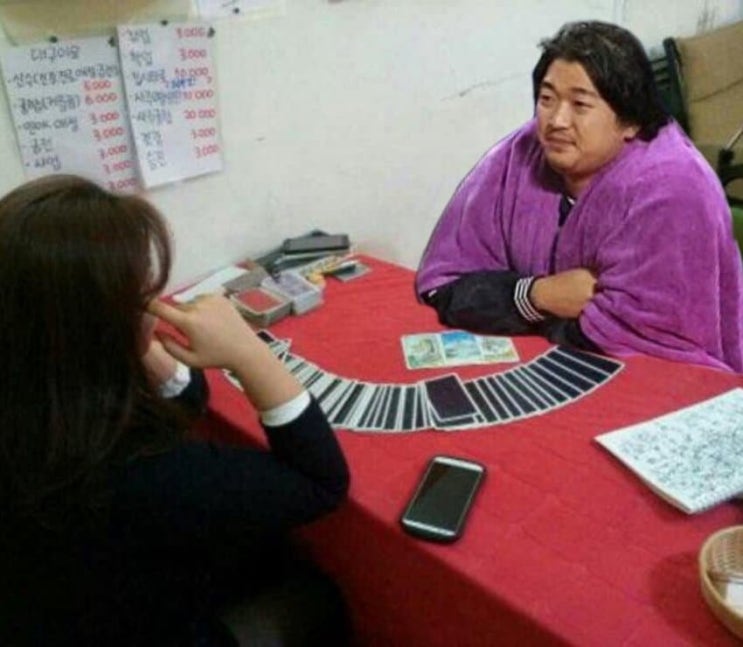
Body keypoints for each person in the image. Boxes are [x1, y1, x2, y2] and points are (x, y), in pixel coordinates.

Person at [0, 175, 351, 646]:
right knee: (318, 593)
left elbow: (188, 401)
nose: (156, 305)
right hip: (137, 621)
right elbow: (321, 482)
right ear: (100, 329)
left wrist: (133, 339)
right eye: (143, 296)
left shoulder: (40, 394)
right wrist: (249, 352)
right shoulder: (147, 475)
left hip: (49, 599)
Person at [416, 20, 743, 373]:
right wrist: (539, 294)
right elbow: (447, 289)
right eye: (547, 99)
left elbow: (640, 338)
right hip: (548, 368)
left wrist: (511, 305)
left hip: (667, 386)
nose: (556, 120)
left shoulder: (674, 189)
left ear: (630, 121)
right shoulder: (520, 154)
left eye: (580, 104)